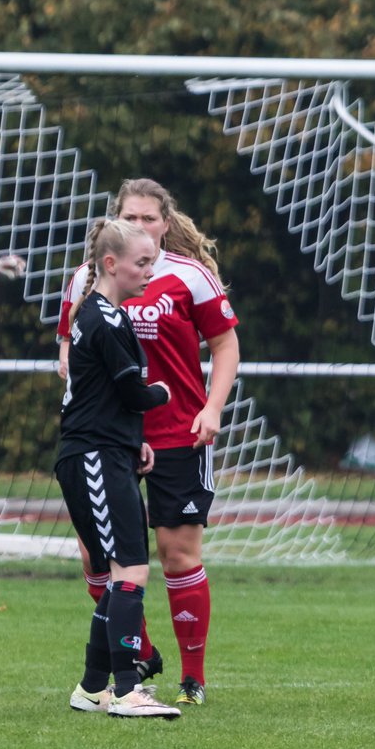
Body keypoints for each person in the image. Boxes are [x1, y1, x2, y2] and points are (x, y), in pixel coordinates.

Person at [57, 178, 240, 707]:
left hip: (176, 434)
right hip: (109, 441)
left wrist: (212, 407)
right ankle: (131, 656)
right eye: (130, 218)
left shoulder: (189, 277)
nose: (140, 227)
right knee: (100, 556)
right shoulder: (90, 282)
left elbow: (226, 344)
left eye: (149, 219)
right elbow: (70, 346)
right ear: (115, 227)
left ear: (167, 223)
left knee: (175, 555)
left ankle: (191, 679)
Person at [59, 218, 180, 719]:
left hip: (108, 454)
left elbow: (110, 400)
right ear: (112, 264)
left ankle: (92, 688)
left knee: (120, 572)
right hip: (93, 457)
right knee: (129, 566)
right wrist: (163, 395)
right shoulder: (104, 319)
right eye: (142, 262)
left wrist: (135, 443)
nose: (150, 269)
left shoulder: (109, 314)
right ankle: (128, 690)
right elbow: (133, 392)